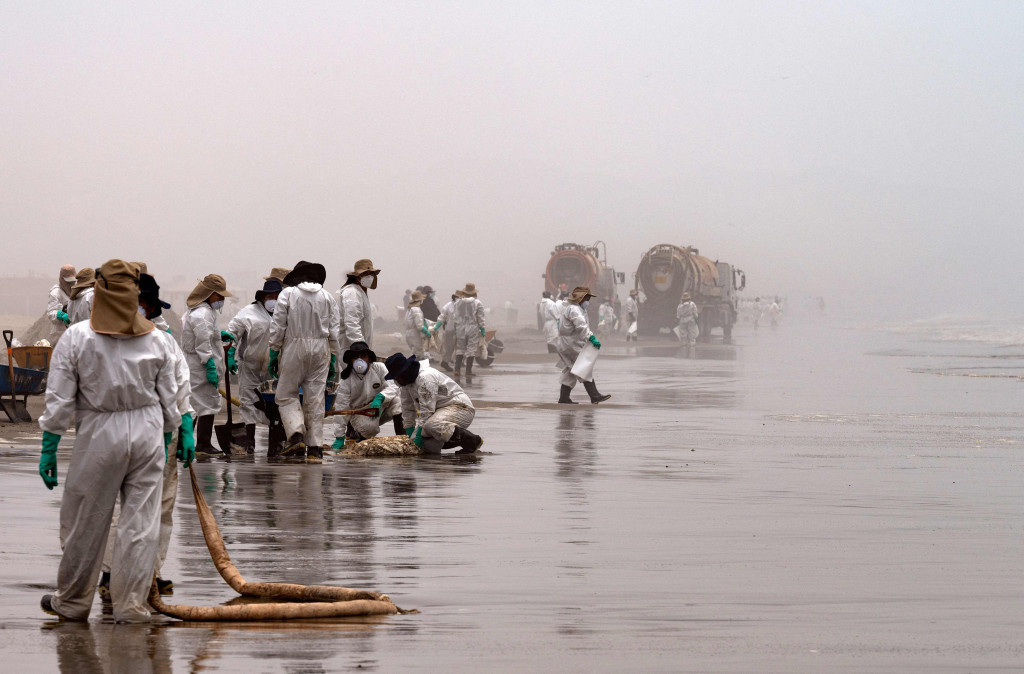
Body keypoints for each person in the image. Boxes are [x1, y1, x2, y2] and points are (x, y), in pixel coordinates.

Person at [38, 259, 182, 623]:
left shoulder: (78, 336)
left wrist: (50, 444)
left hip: (100, 433)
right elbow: (170, 398)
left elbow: (59, 397)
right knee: (140, 524)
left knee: (87, 520)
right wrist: (170, 437)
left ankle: (72, 602)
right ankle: (131, 607)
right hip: (149, 433)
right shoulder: (156, 338)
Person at [100, 271, 195, 599]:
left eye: (144, 304)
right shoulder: (106, 338)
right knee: (120, 506)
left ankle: (150, 573)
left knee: (161, 507)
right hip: (119, 435)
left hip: (162, 435)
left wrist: (185, 426)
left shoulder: (165, 341)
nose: (140, 309)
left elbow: (181, 386)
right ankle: (112, 573)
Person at [269, 261, 341, 462]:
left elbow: (278, 326)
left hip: (294, 347)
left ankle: (296, 434)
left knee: (285, 394)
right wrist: (333, 356)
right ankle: (316, 449)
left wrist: (274, 351)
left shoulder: (288, 294)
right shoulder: (327, 298)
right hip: (321, 350)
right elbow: (334, 331)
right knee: (315, 399)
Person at [384, 352, 483, 454]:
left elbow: (427, 411)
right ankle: (458, 444)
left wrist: (418, 436)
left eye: (396, 377)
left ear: (404, 372)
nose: (396, 380)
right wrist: (410, 433)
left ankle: (472, 441)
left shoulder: (425, 378)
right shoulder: (404, 382)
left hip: (460, 408)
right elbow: (407, 408)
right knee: (426, 446)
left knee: (431, 426)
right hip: (439, 412)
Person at [182, 274, 234, 458]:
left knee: (201, 403)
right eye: (219, 296)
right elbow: (202, 343)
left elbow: (203, 334)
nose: (222, 300)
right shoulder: (201, 313)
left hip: (199, 365)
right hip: (200, 366)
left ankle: (195, 443)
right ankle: (201, 444)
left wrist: (218, 335)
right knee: (203, 404)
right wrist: (210, 365)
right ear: (209, 293)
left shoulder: (201, 311)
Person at [227, 278, 282, 453]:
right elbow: (233, 333)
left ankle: (276, 443)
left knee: (275, 404)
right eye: (270, 296)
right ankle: (248, 442)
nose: (273, 299)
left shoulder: (285, 313)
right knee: (247, 403)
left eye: (277, 296)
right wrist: (230, 354)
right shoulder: (248, 313)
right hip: (249, 366)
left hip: (273, 368)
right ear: (263, 297)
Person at [331, 341, 403, 449]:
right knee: (369, 429)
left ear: (369, 358)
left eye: (363, 356)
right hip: (360, 411)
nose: (359, 361)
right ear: (351, 360)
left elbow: (393, 387)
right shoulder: (346, 379)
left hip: (380, 405)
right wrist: (339, 437)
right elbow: (342, 407)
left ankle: (403, 438)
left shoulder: (379, 368)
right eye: (355, 357)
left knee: (398, 402)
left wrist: (381, 397)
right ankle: (356, 431)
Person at [556, 286, 611, 405]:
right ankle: (594, 395)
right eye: (587, 298)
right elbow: (581, 326)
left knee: (570, 371)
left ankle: (564, 398)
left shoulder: (576, 309)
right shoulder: (574, 310)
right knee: (583, 367)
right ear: (581, 298)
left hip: (568, 343)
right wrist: (591, 338)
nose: (588, 301)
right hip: (570, 344)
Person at [338, 259, 379, 352]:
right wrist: (359, 345)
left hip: (357, 347)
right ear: (357, 276)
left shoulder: (360, 292)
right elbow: (352, 321)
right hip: (351, 349)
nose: (369, 277)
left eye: (371, 274)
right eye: (365, 274)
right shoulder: (352, 293)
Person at [453, 283, 486, 377]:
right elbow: (480, 317)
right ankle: (468, 371)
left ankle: (457, 370)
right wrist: (482, 328)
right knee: (471, 348)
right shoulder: (477, 303)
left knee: (460, 348)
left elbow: (455, 316)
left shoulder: (458, 302)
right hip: (472, 328)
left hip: (460, 328)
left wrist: (456, 327)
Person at [46, 264, 77, 344]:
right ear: (62, 279)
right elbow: (51, 312)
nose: (70, 284)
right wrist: (61, 314)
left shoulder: (77, 291)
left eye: (72, 281)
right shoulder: (56, 293)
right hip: (60, 335)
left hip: (74, 333)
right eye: (68, 282)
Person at [404, 290, 434, 360]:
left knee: (414, 353)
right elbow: (419, 326)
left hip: (408, 334)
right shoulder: (416, 310)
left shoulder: (409, 310)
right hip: (415, 335)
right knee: (418, 355)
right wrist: (427, 332)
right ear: (420, 300)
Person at [437, 293, 458, 371]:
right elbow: (442, 316)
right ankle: (445, 362)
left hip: (459, 330)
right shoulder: (448, 306)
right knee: (449, 347)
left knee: (457, 347)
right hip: (450, 329)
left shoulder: (461, 305)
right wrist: (438, 325)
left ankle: (453, 362)